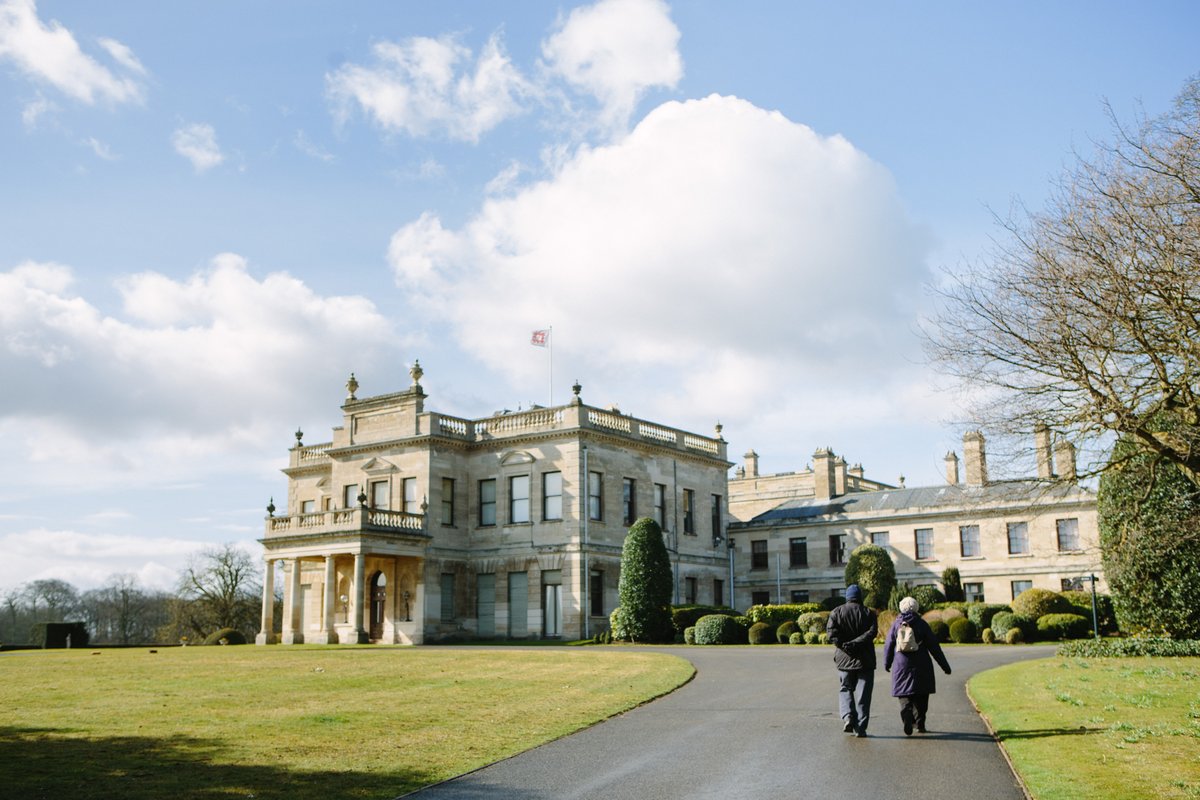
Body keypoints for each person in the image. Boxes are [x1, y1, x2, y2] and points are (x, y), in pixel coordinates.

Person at [883, 596, 952, 735]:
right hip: (921, 663)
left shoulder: (896, 624)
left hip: (901, 664)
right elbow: (934, 647)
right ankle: (920, 723)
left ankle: (907, 715)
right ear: (916, 608)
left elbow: (888, 645)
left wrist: (887, 663)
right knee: (921, 695)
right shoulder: (921, 624)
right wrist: (945, 666)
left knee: (904, 694)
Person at [826, 584, 878, 737]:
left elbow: (831, 634)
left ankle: (848, 716)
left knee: (845, 689)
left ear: (847, 597)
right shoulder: (868, 613)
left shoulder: (836, 612)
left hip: (844, 659)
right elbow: (872, 632)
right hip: (865, 660)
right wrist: (856, 643)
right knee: (864, 694)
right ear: (860, 597)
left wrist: (845, 645)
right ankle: (861, 727)